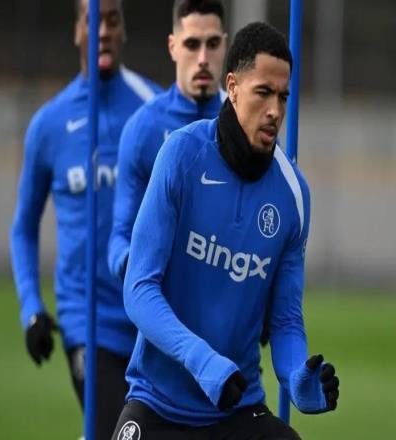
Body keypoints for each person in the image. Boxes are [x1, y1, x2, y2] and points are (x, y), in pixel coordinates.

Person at [112, 22, 340, 440]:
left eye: (283, 96)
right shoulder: (181, 155)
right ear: (232, 87)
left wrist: (297, 378)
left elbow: (286, 319)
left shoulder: (294, 194)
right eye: (263, 92)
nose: (275, 110)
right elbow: (139, 289)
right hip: (158, 404)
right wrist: (202, 360)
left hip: (237, 409)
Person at [9, 0, 162, 438]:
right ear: (77, 30)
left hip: (151, 319)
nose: (103, 31)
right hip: (87, 321)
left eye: (112, 20)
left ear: (124, 30)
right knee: (121, 430)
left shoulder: (153, 109)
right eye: (93, 20)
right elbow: (23, 228)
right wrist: (31, 309)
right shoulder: (49, 126)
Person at [108, 0, 227, 282]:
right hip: (162, 300)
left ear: (225, 45)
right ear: (173, 47)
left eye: (212, 44)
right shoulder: (143, 128)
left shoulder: (248, 124)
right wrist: (138, 265)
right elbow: (119, 238)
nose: (203, 58)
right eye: (192, 44)